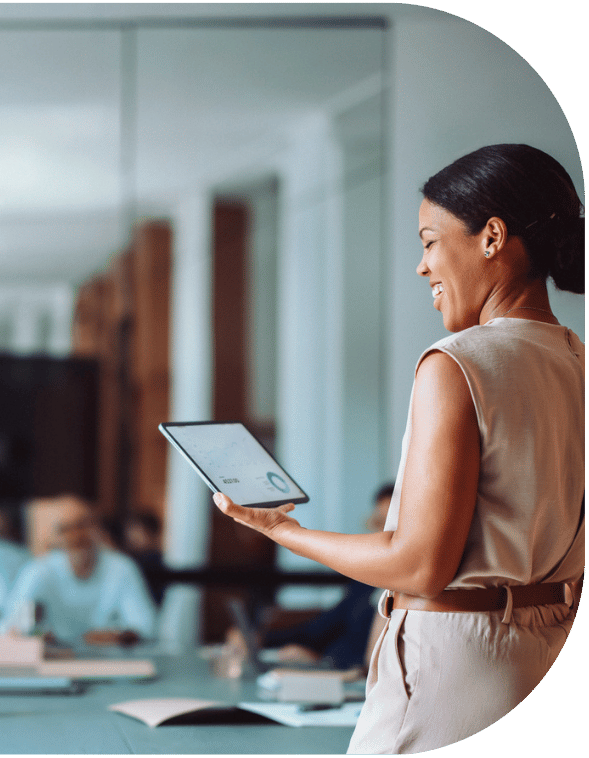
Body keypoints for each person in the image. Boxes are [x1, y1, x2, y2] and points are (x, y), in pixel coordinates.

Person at [213, 144, 584, 754]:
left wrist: (278, 529)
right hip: (548, 655)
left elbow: (418, 566)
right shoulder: (575, 360)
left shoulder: (458, 364)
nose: (422, 265)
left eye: (430, 240)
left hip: (454, 669)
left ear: (492, 237)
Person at [257, 483, 395, 671]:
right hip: (335, 675)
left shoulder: (410, 588)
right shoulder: (366, 581)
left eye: (393, 526)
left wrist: (322, 660)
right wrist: (260, 638)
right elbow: (323, 627)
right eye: (380, 524)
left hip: (356, 681)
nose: (384, 535)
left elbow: (374, 662)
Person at [0, 495, 157, 646]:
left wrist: (118, 636)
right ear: (54, 537)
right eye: (65, 529)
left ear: (97, 528)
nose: (75, 536)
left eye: (81, 526)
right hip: (55, 664)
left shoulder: (122, 568)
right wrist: (30, 630)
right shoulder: (39, 571)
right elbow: (5, 626)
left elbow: (146, 626)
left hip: (113, 662)